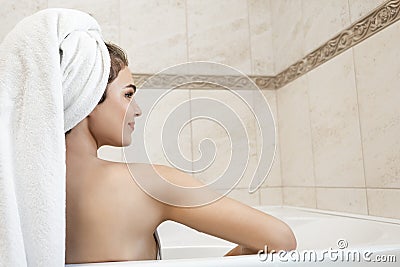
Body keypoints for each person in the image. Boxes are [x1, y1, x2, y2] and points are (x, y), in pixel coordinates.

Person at [65, 42, 296, 264]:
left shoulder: (33, 191)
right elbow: (279, 240)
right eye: (128, 95)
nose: (137, 110)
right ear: (88, 98)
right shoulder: (148, 184)